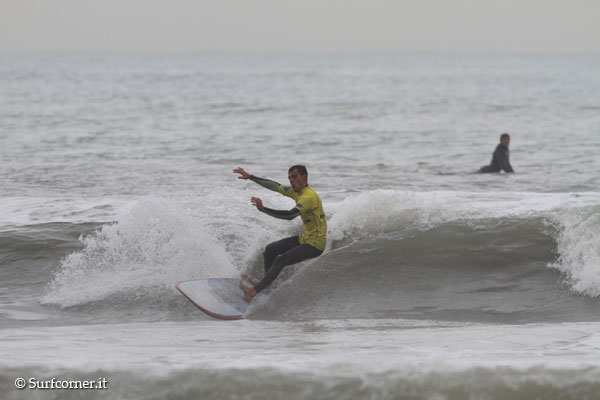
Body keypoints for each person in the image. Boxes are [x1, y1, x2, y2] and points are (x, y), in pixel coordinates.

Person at [233, 165, 327, 301]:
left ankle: (253, 292)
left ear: (304, 177)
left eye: (294, 177)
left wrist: (263, 209)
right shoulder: (296, 191)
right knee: (270, 249)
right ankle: (266, 286)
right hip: (306, 238)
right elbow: (275, 186)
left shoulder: (309, 197)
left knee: (281, 259)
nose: (291, 180)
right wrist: (251, 177)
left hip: (316, 244)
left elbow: (290, 215)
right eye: (289, 178)